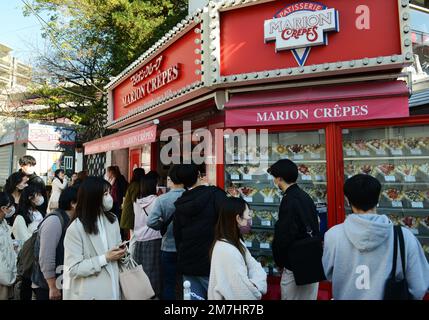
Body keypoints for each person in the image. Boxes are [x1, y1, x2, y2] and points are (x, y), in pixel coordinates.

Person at [323, 174, 429, 300]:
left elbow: (328, 274)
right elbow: (419, 287)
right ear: (378, 198)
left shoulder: (333, 235)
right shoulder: (404, 236)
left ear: (347, 200)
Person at [63, 177, 126, 300]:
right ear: (93, 197)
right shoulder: (76, 228)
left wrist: (122, 251)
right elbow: (73, 268)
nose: (109, 197)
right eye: (105, 194)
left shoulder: (112, 219)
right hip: (91, 293)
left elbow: (117, 246)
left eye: (109, 192)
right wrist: (105, 258)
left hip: (115, 289)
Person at [268, 159, 321, 300]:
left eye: (274, 178)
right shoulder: (305, 196)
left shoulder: (289, 200)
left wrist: (279, 261)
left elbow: (284, 235)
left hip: (295, 264)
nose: (274, 181)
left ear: (279, 179)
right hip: (311, 260)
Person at [173, 164, 228, 300]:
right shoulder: (215, 194)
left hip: (188, 260)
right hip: (212, 260)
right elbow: (228, 223)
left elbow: (177, 235)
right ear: (199, 175)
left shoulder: (181, 202)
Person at [208, 197, 267, 300]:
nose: (250, 219)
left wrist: (254, 285)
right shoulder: (228, 251)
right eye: (248, 215)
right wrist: (256, 287)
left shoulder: (235, 242)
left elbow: (255, 266)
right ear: (238, 219)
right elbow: (243, 293)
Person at [32, 187, 77, 300]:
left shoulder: (70, 220)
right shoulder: (55, 221)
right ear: (73, 203)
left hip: (60, 281)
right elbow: (46, 257)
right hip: (47, 286)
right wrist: (52, 286)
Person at [147, 165, 185, 300]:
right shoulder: (191, 196)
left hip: (168, 247)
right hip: (187, 248)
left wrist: (162, 225)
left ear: (170, 180)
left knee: (168, 284)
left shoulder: (162, 199)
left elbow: (151, 222)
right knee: (187, 283)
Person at [12, 184, 45, 300]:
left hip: (39, 256)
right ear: (30, 197)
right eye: (38, 195)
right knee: (27, 287)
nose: (40, 197)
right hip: (29, 259)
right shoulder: (21, 217)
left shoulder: (39, 213)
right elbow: (25, 241)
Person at [132, 173, 162, 298]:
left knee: (140, 271)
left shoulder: (136, 200)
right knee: (152, 271)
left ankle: (141, 294)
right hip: (153, 238)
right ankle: (152, 295)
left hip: (139, 238)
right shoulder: (156, 201)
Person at [0, 192, 17, 300]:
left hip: (9, 279)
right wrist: (10, 278)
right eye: (10, 206)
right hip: (4, 280)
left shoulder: (3, 223)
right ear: (3, 208)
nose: (12, 209)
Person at [120, 168, 145, 232]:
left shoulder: (133, 184)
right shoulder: (136, 185)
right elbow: (135, 200)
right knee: (134, 236)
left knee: (133, 235)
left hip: (130, 212)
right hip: (131, 213)